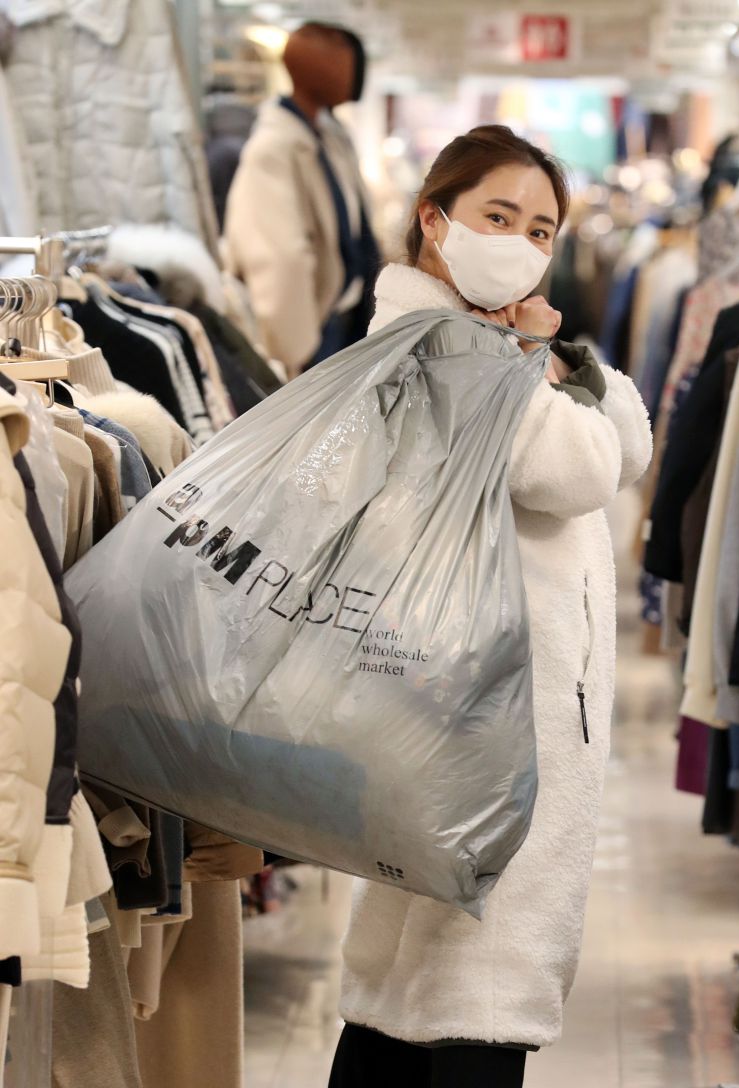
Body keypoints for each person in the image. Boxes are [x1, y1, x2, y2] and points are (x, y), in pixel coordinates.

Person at [329, 126, 652, 1087]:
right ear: (436, 219)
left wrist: (551, 359)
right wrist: (540, 356)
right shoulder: (450, 347)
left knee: (412, 973)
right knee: (477, 986)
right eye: (498, 216)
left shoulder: (473, 339)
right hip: (490, 704)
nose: (521, 242)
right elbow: (579, 466)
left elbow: (629, 445)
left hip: (468, 688)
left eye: (541, 229)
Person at [223, 22, 380, 378]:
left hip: (343, 318)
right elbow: (277, 257)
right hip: (313, 334)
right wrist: (296, 350)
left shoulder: (328, 136)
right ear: (314, 69)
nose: (355, 73)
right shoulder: (275, 147)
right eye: (345, 61)